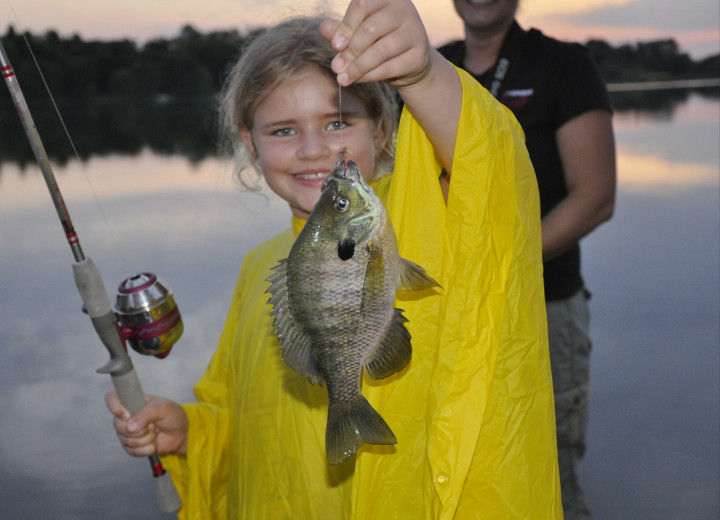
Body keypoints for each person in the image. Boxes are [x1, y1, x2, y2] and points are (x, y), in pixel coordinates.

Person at [106, 0, 563, 517]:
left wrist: (424, 73)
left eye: (338, 122)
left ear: (383, 131)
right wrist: (192, 432)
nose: (314, 149)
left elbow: (493, 176)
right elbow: (244, 412)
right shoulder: (260, 268)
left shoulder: (425, 213)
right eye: (283, 130)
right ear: (250, 146)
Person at [438, 1, 617, 518]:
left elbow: (595, 197)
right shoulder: (431, 70)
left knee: (549, 485)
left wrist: (498, 264)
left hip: (543, 306)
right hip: (449, 315)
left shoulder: (563, 64)